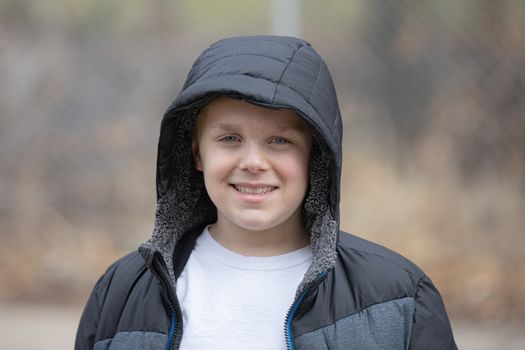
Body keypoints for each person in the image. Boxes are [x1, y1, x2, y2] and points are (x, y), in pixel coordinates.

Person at [75, 35, 457, 350]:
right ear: (195, 153)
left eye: (279, 140)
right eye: (229, 138)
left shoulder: (400, 296)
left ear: (315, 156)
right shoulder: (123, 291)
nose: (253, 162)